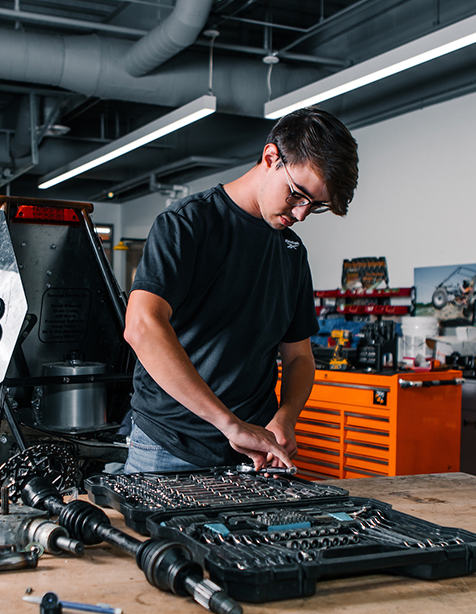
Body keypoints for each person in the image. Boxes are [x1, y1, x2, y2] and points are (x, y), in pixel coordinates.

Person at [123, 108, 358, 474]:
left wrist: (285, 417)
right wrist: (229, 424)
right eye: (298, 195)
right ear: (270, 158)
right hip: (169, 447)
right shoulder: (187, 225)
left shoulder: (291, 252)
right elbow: (141, 326)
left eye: (315, 205)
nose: (300, 214)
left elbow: (298, 356)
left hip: (251, 454)